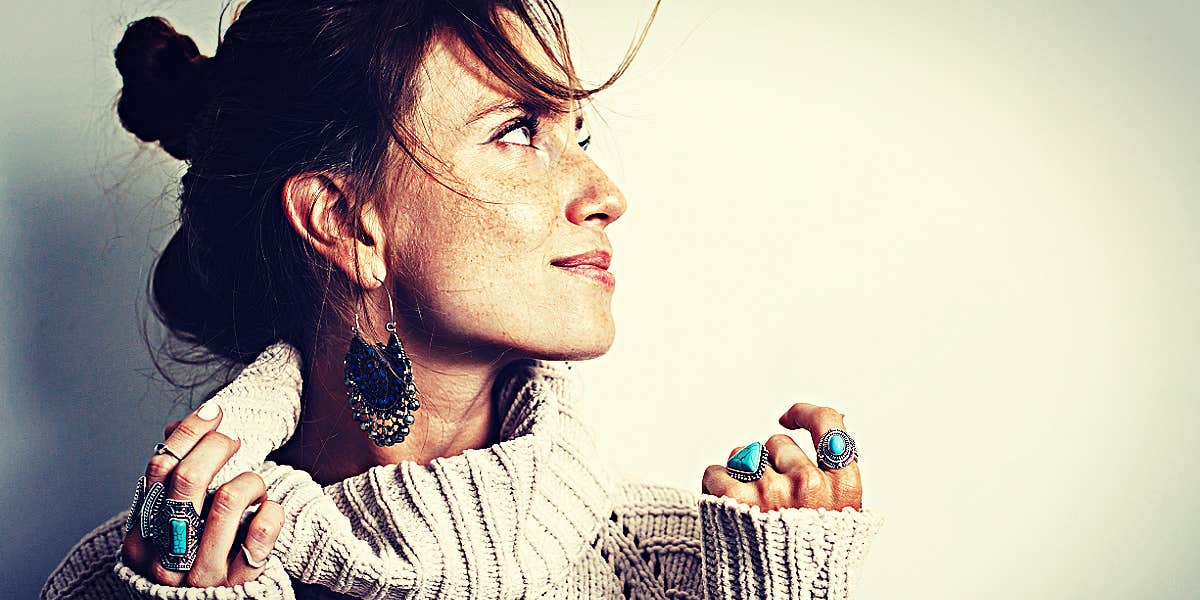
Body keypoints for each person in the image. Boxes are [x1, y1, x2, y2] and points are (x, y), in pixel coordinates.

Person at [42, 1, 884, 598]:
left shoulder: (708, 569)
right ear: (344, 222)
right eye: (518, 130)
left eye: (576, 135)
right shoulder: (133, 577)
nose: (605, 192)